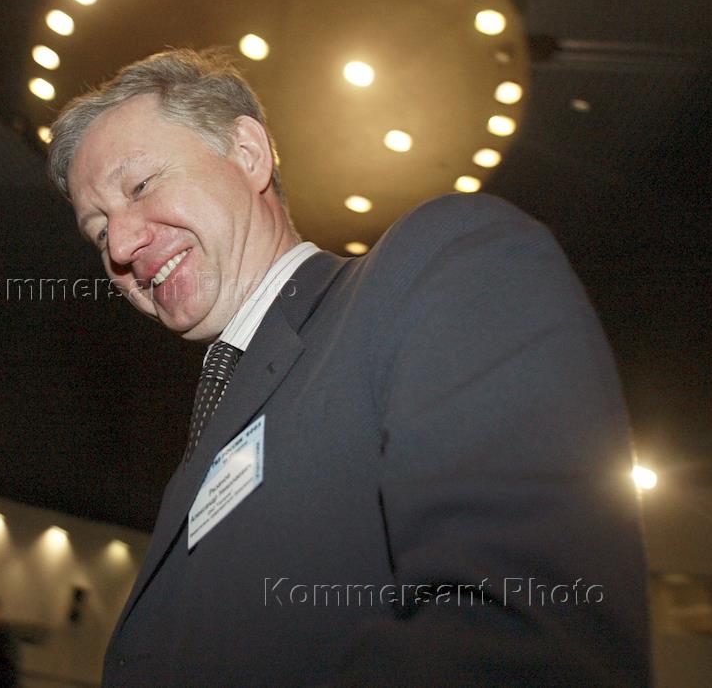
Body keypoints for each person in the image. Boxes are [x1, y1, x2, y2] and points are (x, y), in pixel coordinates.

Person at [48, 49, 650, 685]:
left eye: (141, 186)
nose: (121, 246)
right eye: (99, 231)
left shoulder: (438, 262)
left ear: (247, 153)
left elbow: (519, 635)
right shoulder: (200, 447)